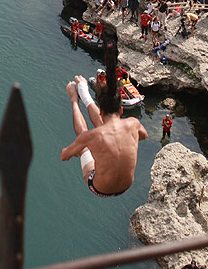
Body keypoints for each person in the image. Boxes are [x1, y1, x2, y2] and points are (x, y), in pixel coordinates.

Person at [60, 41, 148, 197]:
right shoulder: (134, 124)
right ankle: (85, 95)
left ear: (100, 111)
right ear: (121, 109)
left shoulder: (91, 137)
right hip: (126, 186)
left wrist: (76, 148)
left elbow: (64, 156)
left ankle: (75, 96)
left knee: (85, 142)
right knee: (106, 130)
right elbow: (143, 136)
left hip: (100, 188)